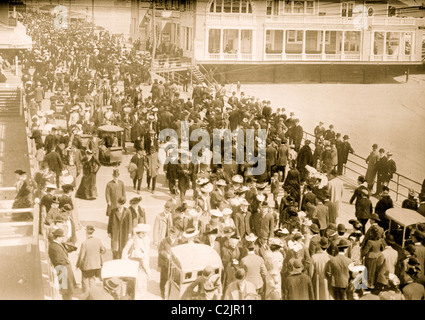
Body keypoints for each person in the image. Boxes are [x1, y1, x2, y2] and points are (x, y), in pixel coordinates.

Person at [122, 223, 151, 300]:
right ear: (138, 233)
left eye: (145, 233)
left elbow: (146, 255)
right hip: (135, 266)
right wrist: (126, 262)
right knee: (134, 286)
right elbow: (125, 251)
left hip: (142, 266)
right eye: (143, 233)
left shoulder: (145, 240)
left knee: (141, 287)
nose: (144, 234)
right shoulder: (133, 241)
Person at [76, 225, 106, 299]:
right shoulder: (98, 240)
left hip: (87, 266)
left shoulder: (85, 243)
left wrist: (78, 265)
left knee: (85, 281)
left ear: (86, 232)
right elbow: (103, 250)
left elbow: (81, 257)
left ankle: (87, 297)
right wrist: (97, 254)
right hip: (96, 265)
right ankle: (93, 296)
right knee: (92, 280)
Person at [48, 228, 76, 300]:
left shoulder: (55, 245)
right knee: (67, 292)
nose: (62, 239)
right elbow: (59, 260)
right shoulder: (55, 246)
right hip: (63, 270)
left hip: (63, 270)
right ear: (58, 237)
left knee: (67, 291)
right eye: (61, 237)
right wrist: (67, 262)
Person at [158, 226, 181, 299]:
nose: (172, 235)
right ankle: (162, 292)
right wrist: (166, 255)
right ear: (169, 233)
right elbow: (160, 251)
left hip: (175, 265)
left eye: (174, 234)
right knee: (164, 279)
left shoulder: (179, 241)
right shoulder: (164, 241)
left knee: (173, 280)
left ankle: (171, 293)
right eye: (171, 233)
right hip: (165, 264)